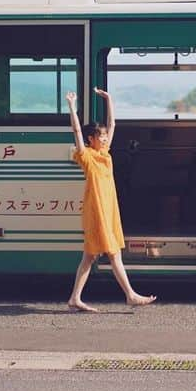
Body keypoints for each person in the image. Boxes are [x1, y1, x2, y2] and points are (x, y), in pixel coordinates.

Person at [65, 88, 156, 312]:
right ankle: (130, 294)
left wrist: (109, 100)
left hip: (107, 208)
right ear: (91, 139)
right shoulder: (86, 156)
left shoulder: (105, 154)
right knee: (113, 254)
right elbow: (76, 130)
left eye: (105, 136)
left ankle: (75, 298)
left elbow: (113, 124)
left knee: (89, 256)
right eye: (100, 136)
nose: (105, 138)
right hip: (97, 210)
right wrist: (71, 107)